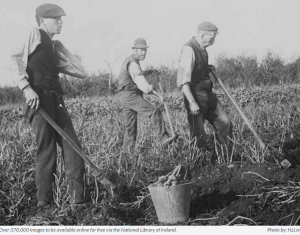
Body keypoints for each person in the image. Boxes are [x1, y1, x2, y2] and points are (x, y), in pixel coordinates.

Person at [11, 3, 90, 208]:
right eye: (55, 18)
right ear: (42, 20)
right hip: (37, 99)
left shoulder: (54, 47)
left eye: (61, 18)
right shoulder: (34, 34)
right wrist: (26, 87)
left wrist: (64, 49)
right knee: (47, 150)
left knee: (73, 146)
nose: (60, 22)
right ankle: (44, 202)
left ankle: (79, 200)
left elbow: (82, 72)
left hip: (56, 99)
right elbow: (15, 59)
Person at [177, 21, 232, 153]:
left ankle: (223, 155)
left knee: (225, 122)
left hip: (208, 94)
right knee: (199, 133)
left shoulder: (202, 49)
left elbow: (196, 69)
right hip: (195, 95)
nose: (213, 42)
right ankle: (202, 163)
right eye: (211, 39)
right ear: (202, 35)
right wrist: (192, 102)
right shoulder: (189, 49)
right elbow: (183, 82)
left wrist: (207, 68)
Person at [118, 38, 170, 153]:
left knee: (130, 127)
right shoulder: (132, 63)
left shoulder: (132, 62)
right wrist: (157, 95)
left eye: (145, 50)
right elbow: (142, 84)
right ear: (135, 50)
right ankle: (163, 138)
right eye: (141, 50)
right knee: (154, 111)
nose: (144, 53)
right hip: (130, 95)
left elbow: (138, 75)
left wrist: (150, 71)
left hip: (125, 96)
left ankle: (127, 154)